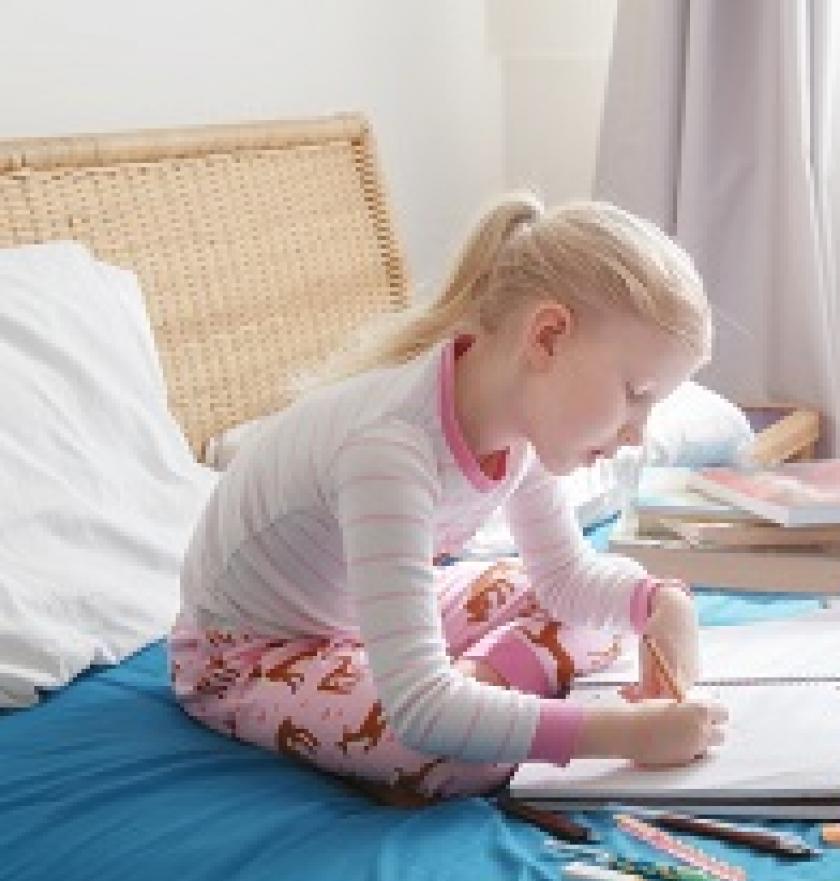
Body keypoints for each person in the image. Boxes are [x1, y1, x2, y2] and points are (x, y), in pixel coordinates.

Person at [169, 193, 727, 805]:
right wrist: (623, 736)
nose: (636, 435)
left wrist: (663, 605)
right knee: (455, 757)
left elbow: (566, 579)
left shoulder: (516, 430)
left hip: (359, 613)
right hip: (253, 652)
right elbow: (417, 711)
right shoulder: (388, 451)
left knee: (602, 621)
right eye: (636, 393)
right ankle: (475, 698)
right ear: (546, 337)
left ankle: (478, 691)